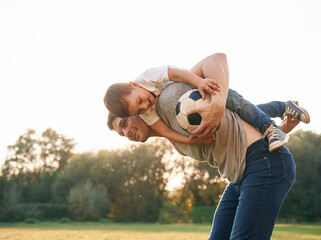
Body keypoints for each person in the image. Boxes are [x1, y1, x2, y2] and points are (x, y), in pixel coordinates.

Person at [107, 53, 308, 239]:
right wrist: (281, 128)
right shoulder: (171, 130)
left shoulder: (170, 93)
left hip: (264, 163)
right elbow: (233, 120)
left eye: (124, 122)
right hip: (239, 177)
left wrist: (219, 101)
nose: (126, 133)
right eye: (120, 133)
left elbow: (217, 59)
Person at [104, 54, 309, 151]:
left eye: (124, 124)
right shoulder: (156, 118)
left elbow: (181, 73)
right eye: (121, 135)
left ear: (134, 84)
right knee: (244, 112)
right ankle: (283, 107)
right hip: (244, 166)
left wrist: (201, 83)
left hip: (200, 90)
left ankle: (270, 127)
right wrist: (189, 141)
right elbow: (233, 131)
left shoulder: (150, 78)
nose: (144, 106)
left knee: (238, 105)